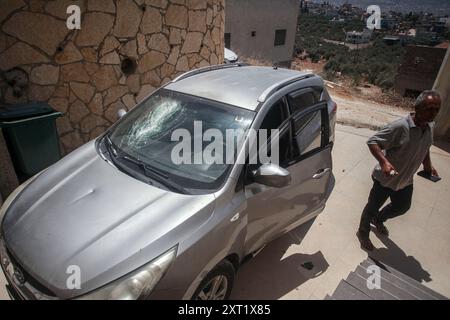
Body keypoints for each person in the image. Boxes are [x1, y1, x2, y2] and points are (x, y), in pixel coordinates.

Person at [356, 90, 442, 251]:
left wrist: (428, 165)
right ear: (418, 107)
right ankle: (363, 233)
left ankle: (379, 219)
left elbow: (425, 146)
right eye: (430, 108)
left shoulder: (430, 127)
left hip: (406, 180)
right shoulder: (400, 127)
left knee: (402, 207)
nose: (433, 113)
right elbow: (373, 142)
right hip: (386, 179)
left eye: (437, 109)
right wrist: (384, 162)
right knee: (371, 207)